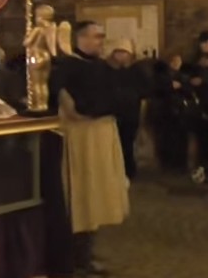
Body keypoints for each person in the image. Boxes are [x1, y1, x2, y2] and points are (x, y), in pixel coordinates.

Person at [51, 21, 129, 277]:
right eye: (96, 37)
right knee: (83, 193)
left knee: (98, 192)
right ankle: (77, 255)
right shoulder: (68, 66)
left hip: (102, 131)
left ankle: (86, 251)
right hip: (82, 135)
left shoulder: (101, 66)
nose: (101, 42)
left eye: (102, 37)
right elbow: (65, 101)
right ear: (81, 38)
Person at [107, 39, 147, 180]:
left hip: (130, 112)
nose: (120, 56)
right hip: (114, 112)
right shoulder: (109, 71)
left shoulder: (136, 71)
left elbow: (145, 89)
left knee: (127, 142)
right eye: (118, 52)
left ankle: (129, 170)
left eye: (123, 53)